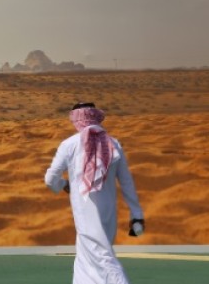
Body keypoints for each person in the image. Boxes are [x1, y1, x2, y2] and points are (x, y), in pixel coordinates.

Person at [44, 102, 144, 284]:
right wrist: (136, 214)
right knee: (85, 261)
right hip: (109, 213)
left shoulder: (69, 145)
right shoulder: (113, 144)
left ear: (76, 118)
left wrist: (64, 184)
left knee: (103, 258)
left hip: (85, 211)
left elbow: (50, 179)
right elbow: (126, 181)